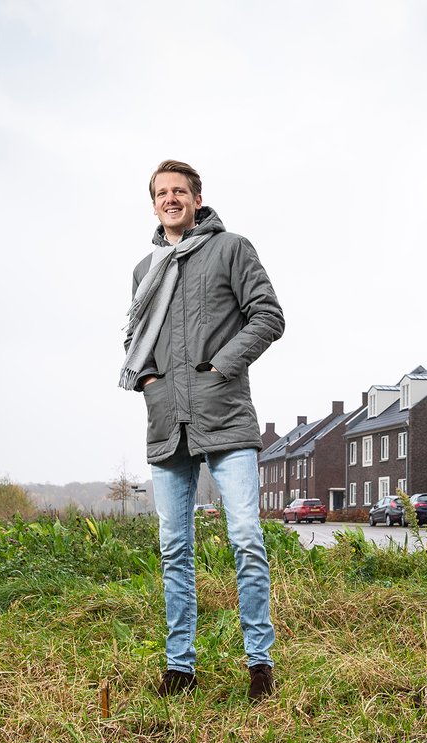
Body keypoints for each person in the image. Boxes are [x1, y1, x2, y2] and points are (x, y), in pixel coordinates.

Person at [121, 159, 284, 701]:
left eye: (180, 191)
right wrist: (146, 378)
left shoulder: (232, 248)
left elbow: (268, 315)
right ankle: (180, 666)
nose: (170, 199)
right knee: (174, 547)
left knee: (246, 539)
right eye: (161, 193)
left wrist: (222, 365)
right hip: (168, 421)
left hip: (226, 417)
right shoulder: (147, 269)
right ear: (153, 203)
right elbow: (134, 337)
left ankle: (259, 663)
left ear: (196, 198)